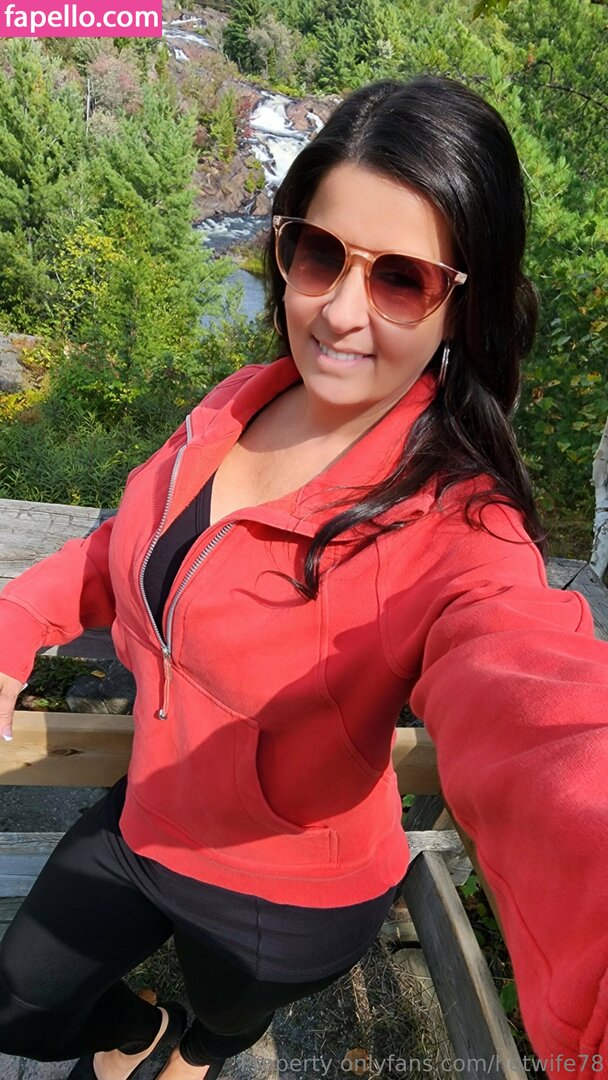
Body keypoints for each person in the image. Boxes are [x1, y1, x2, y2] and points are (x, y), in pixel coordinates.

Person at [0, 74, 606, 1080]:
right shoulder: (239, 402)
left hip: (284, 897)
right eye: (319, 253)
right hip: (147, 816)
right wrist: (14, 623)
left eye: (401, 278)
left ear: (463, 307)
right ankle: (139, 1030)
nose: (337, 313)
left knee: (228, 1019)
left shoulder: (459, 530)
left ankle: (199, 1046)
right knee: (19, 1001)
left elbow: (540, 708)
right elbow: (120, 553)